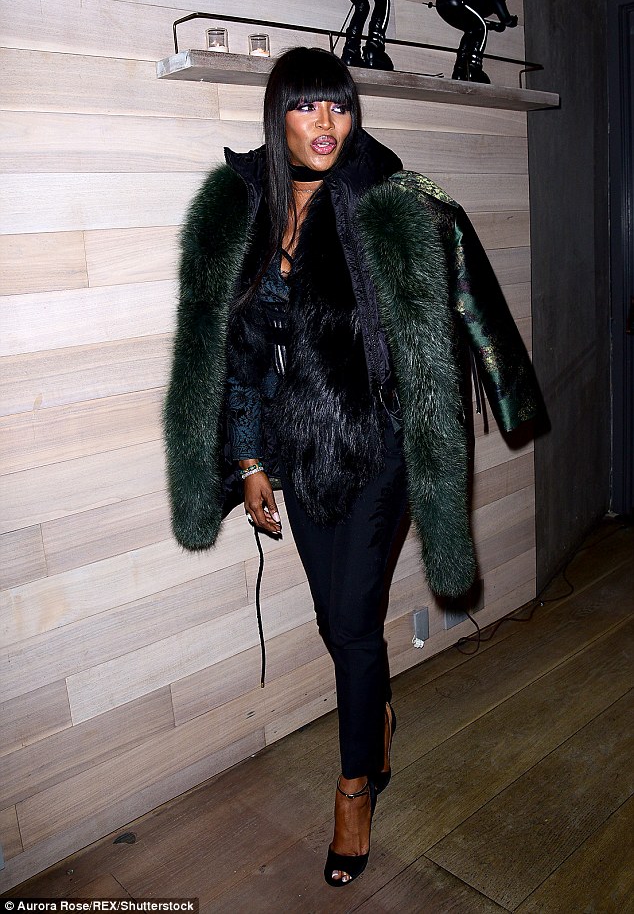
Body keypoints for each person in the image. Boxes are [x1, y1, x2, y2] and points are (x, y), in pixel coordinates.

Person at [163, 46, 540, 887]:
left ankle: (353, 787)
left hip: (383, 448)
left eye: (338, 104)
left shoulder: (388, 199)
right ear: (280, 118)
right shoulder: (251, 209)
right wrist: (251, 461)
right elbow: (241, 357)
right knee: (335, 622)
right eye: (307, 106)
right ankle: (380, 719)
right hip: (300, 454)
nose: (326, 122)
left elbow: (462, 303)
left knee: (356, 624)